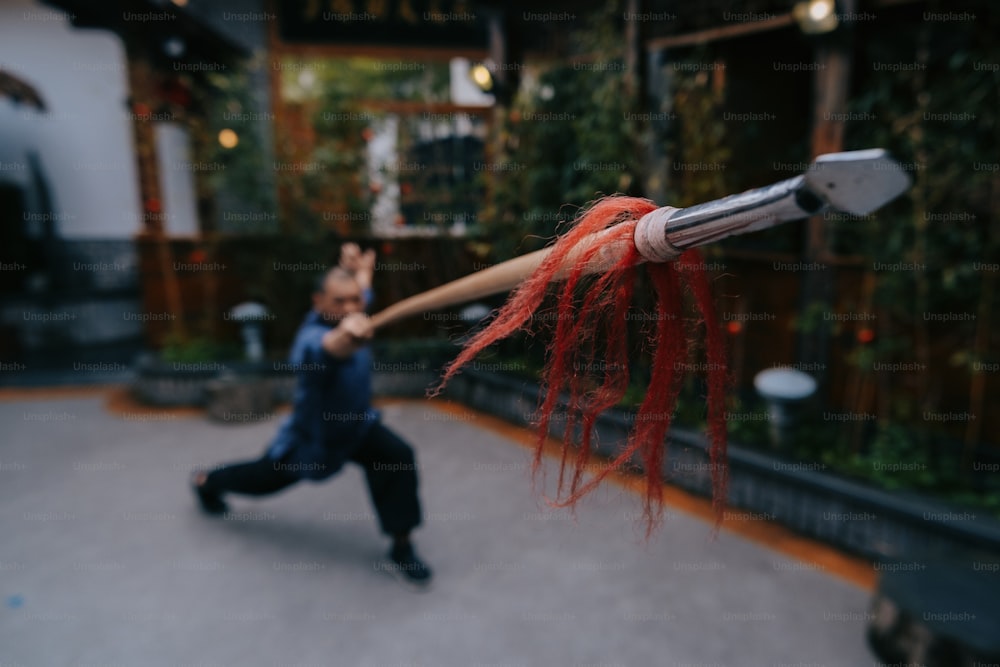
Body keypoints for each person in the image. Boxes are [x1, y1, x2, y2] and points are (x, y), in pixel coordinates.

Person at [191, 243, 432, 587]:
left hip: (359, 429)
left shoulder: (356, 309)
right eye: (339, 301)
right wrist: (348, 336)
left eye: (355, 300)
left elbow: (362, 294)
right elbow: (329, 348)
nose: (351, 307)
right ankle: (207, 482)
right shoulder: (312, 339)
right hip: (314, 441)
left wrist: (361, 273)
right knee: (262, 479)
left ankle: (402, 546)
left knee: (396, 457)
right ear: (318, 303)